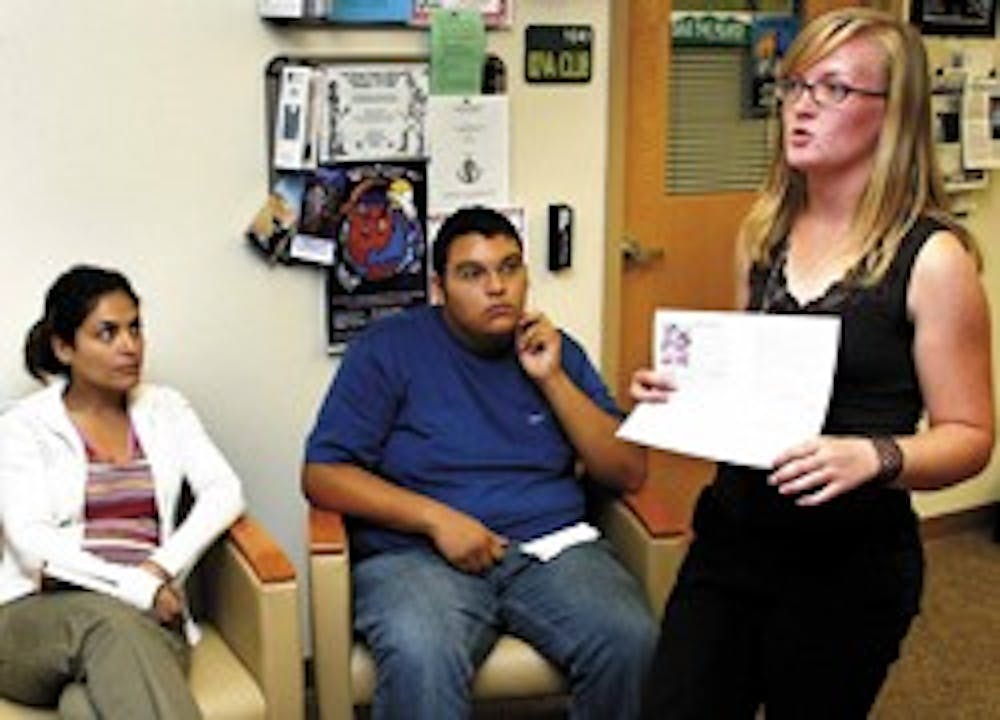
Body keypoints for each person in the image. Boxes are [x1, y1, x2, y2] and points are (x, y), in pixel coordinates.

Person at [632, 9, 994, 719]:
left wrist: (875, 458)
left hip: (847, 567)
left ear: (893, 114)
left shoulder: (934, 259)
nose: (800, 106)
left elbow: (971, 436)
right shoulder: (762, 233)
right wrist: (683, 391)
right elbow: (745, 385)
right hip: (732, 543)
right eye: (795, 84)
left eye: (832, 89)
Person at [303, 206, 657, 720]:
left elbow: (628, 472)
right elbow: (323, 474)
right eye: (473, 273)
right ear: (439, 288)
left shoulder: (556, 351)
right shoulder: (387, 350)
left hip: (548, 549)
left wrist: (552, 378)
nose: (497, 287)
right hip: (418, 558)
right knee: (421, 653)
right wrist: (436, 519)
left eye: (510, 268)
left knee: (630, 639)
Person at [0, 266, 245, 719]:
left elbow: (224, 490)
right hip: (34, 619)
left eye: (135, 328)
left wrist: (159, 570)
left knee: (85, 708)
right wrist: (136, 587)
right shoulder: (24, 427)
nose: (130, 346)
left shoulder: (165, 409)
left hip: (150, 618)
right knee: (106, 622)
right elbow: (31, 541)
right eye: (107, 333)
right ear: (64, 347)